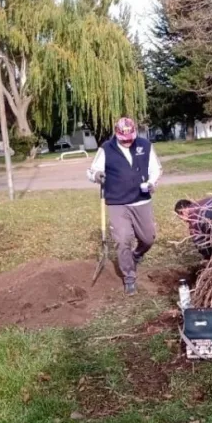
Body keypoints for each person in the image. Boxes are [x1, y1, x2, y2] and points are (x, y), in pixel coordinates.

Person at [87, 117, 161, 295]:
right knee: (122, 240)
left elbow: (156, 169)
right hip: (117, 202)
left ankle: (137, 254)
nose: (128, 142)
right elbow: (92, 171)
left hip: (141, 200)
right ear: (117, 134)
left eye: (130, 138)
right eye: (124, 139)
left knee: (149, 238)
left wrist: (151, 182)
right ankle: (129, 277)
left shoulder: (145, 145)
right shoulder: (106, 149)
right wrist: (97, 176)